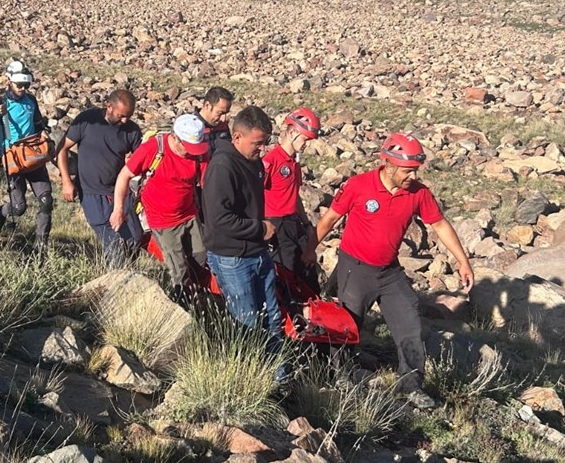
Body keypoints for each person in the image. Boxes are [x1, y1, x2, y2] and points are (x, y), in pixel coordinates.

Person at [314, 132, 475, 409]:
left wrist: (462, 260)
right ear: (388, 164)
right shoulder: (359, 185)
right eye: (407, 170)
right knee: (347, 324)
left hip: (389, 271)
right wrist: (309, 250)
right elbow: (330, 219)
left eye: (415, 171)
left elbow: (439, 225)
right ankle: (337, 375)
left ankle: (411, 385)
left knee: (410, 321)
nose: (412, 176)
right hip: (355, 267)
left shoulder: (418, 193)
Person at [200, 105, 284, 353]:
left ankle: (276, 377)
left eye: (266, 142)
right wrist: (260, 229)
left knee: (272, 317)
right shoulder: (223, 167)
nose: (262, 149)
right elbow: (220, 220)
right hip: (232, 257)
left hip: (257, 252)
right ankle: (249, 375)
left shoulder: (254, 162)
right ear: (237, 137)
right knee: (247, 323)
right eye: (257, 143)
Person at [112, 113, 209, 296]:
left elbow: (208, 183)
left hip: (189, 213)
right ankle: (181, 302)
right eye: (188, 147)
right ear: (175, 137)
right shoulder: (154, 149)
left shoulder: (198, 153)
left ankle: (196, 292)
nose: (192, 152)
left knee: (200, 254)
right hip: (163, 220)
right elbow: (124, 176)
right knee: (178, 267)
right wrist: (118, 210)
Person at [55, 88, 142, 262]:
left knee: (135, 238)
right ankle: (116, 279)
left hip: (119, 192)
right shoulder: (88, 120)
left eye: (129, 116)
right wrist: (66, 180)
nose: (125, 120)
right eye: (121, 115)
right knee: (113, 243)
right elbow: (62, 149)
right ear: (109, 106)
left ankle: (127, 271)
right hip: (92, 193)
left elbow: (141, 160)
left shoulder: (131, 130)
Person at [0, 59, 52, 251]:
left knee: (46, 200)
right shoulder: (1, 103)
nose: (23, 89)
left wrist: (43, 131)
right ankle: (0, 213)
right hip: (13, 159)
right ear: (9, 81)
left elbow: (38, 122)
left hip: (33, 155)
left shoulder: (31, 100)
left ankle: (41, 244)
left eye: (26, 85)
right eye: (20, 85)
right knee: (19, 208)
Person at [263, 107, 322, 292]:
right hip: (275, 223)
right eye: (305, 139)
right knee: (286, 269)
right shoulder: (271, 160)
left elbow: (294, 195)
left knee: (307, 264)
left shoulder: (294, 165)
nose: (307, 145)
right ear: (293, 132)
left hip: (293, 221)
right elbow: (255, 192)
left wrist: (306, 224)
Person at [195, 86, 233, 155]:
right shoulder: (191, 128)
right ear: (207, 106)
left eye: (226, 113)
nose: (223, 118)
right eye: (220, 113)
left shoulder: (222, 125)